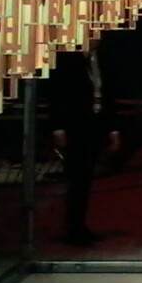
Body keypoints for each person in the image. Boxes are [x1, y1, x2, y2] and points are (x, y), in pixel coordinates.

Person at [49, 45, 105, 246]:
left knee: (84, 179)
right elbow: (57, 93)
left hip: (93, 126)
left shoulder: (99, 59)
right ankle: (74, 226)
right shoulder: (68, 59)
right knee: (76, 179)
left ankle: (78, 224)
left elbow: (106, 92)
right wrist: (58, 127)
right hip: (75, 127)